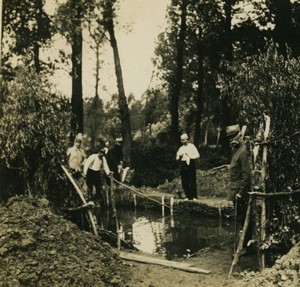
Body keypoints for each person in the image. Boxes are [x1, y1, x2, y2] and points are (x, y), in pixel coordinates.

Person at [226, 124, 253, 255]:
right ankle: (243, 245)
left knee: (243, 219)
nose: (231, 140)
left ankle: (245, 247)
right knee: (240, 218)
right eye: (229, 138)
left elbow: (246, 175)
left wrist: (241, 193)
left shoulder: (243, 151)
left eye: (232, 137)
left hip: (240, 192)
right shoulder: (237, 150)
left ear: (239, 135)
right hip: (235, 190)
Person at [176, 133, 200, 200]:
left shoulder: (192, 146)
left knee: (192, 180)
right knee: (184, 180)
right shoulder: (181, 148)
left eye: (185, 141)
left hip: (191, 163)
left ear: (187, 140)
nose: (184, 143)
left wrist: (190, 156)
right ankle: (188, 195)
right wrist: (179, 156)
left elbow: (198, 155)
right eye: (182, 141)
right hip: (183, 163)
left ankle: (194, 196)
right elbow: (177, 157)